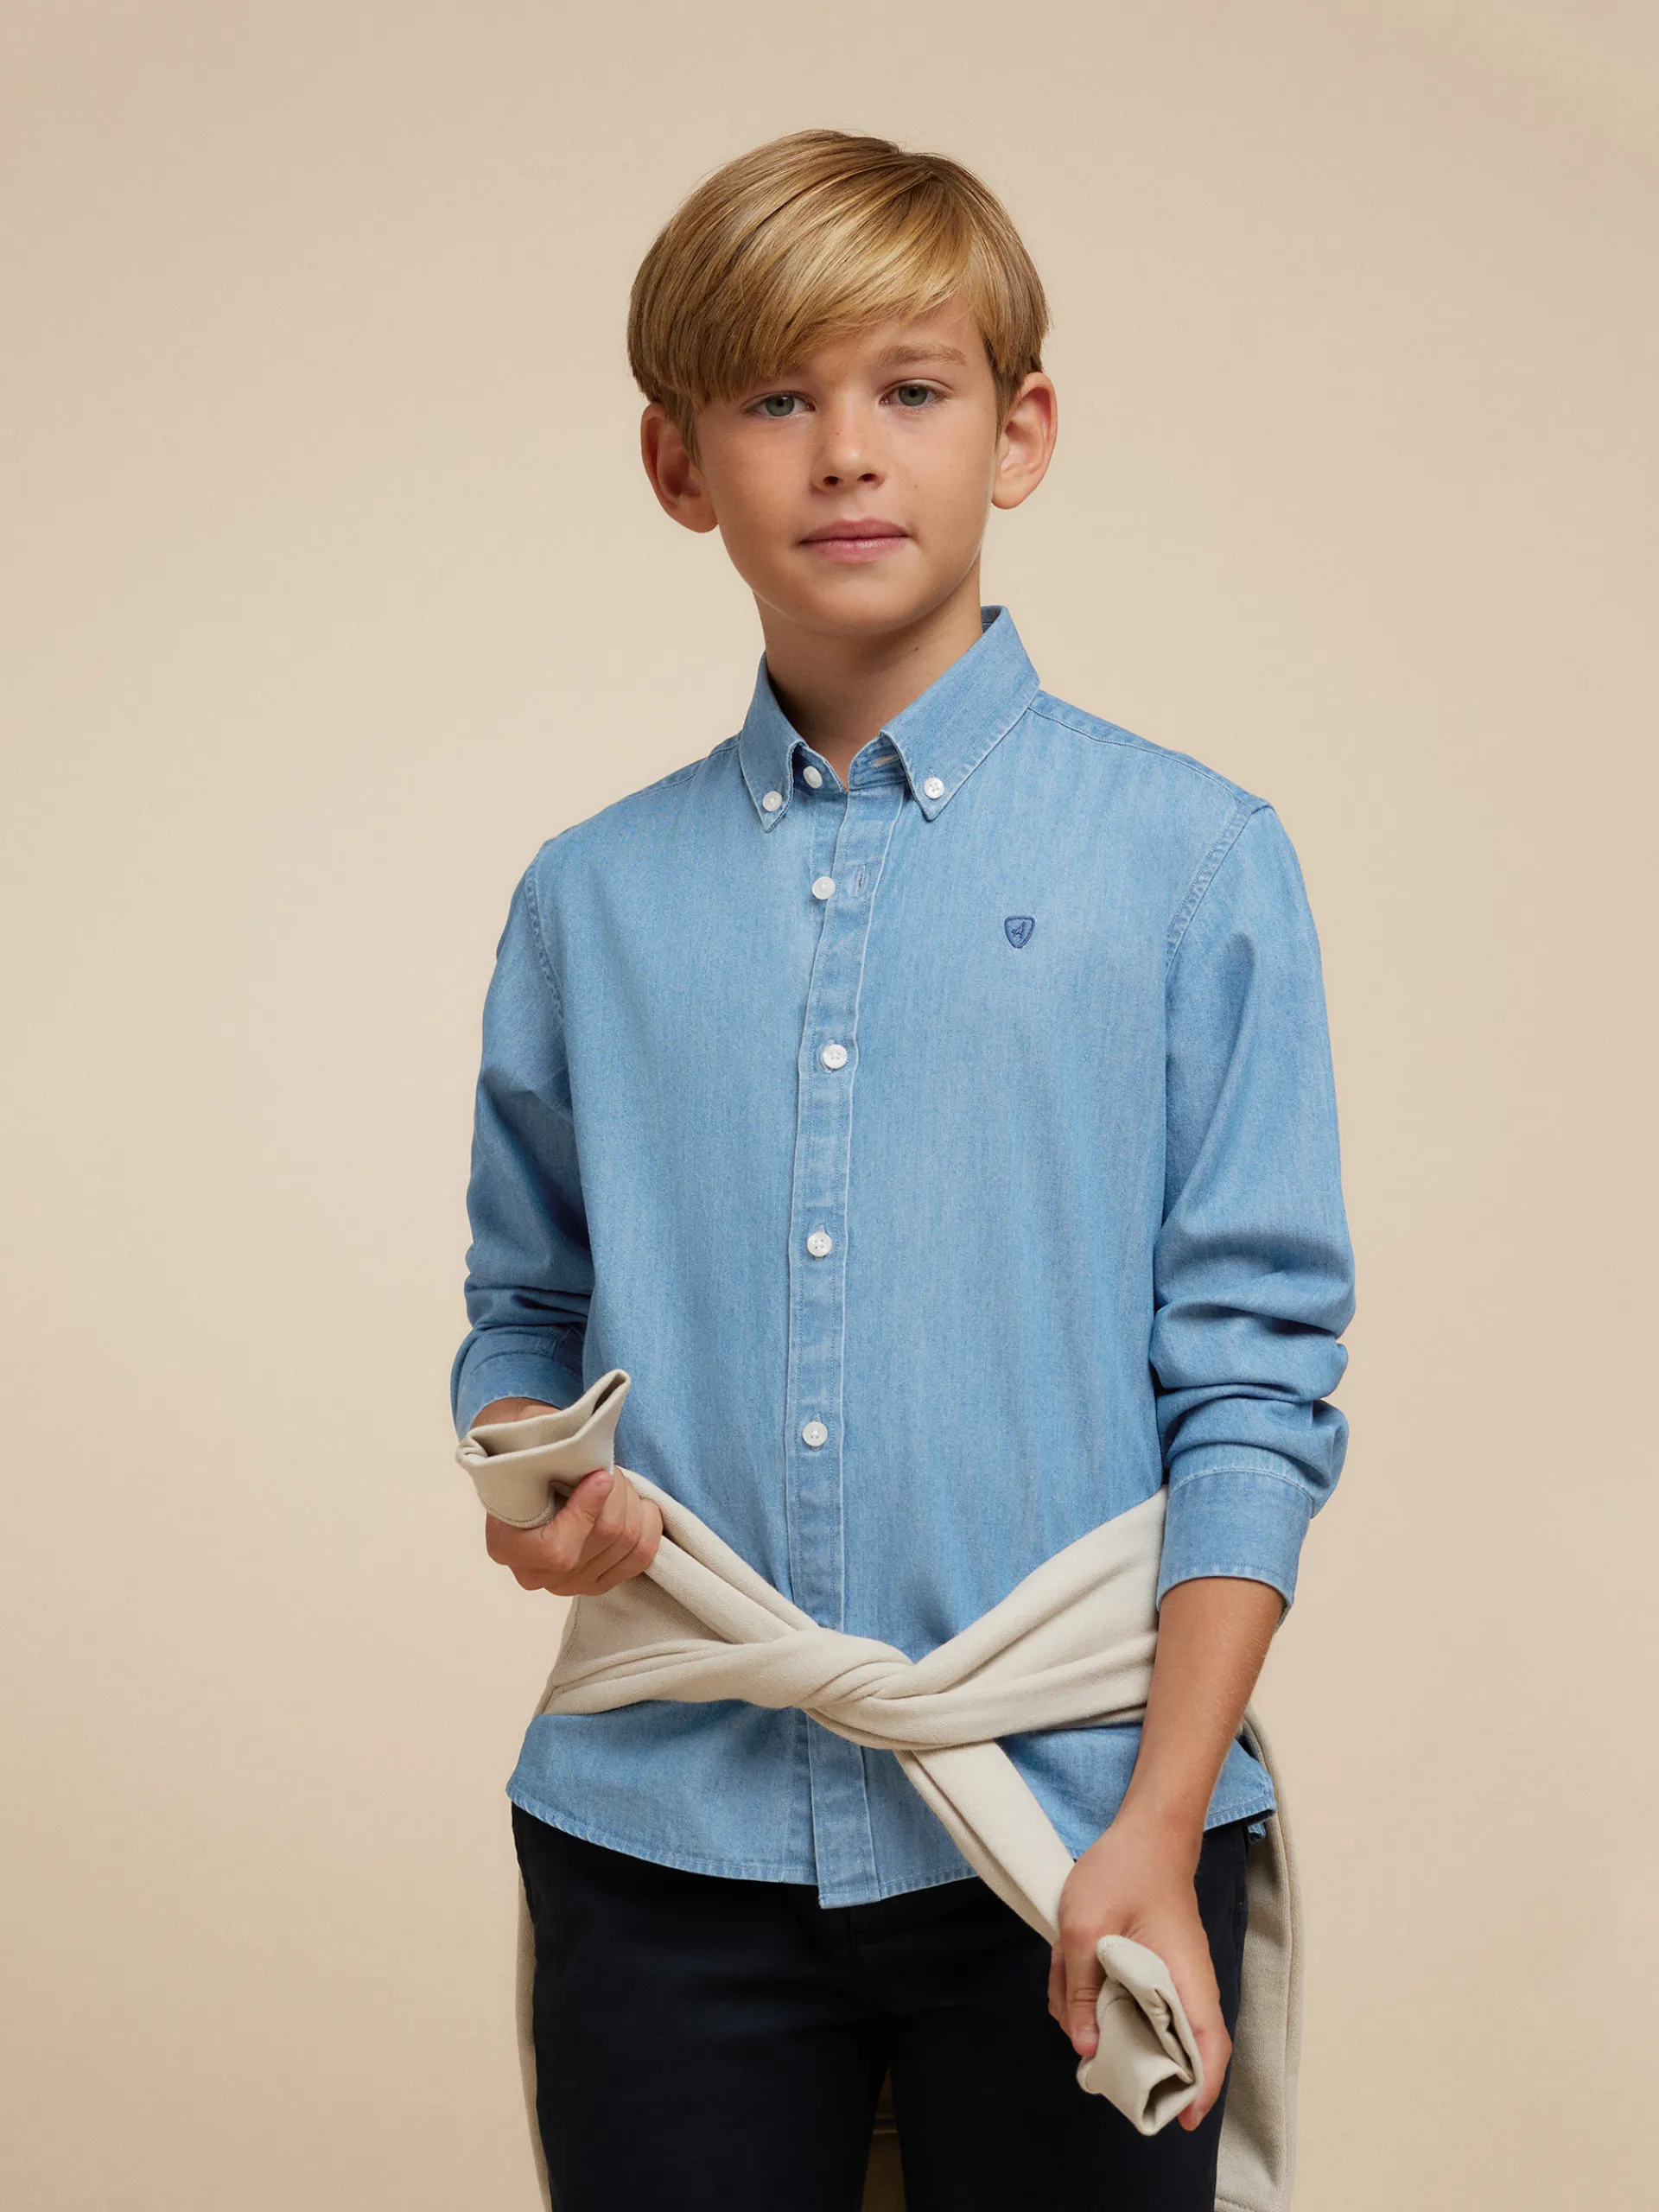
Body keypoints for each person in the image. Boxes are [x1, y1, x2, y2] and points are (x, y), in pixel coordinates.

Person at [450, 128, 1354, 2212]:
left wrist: (1159, 1819)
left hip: (1083, 1822)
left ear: (1017, 433)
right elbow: (523, 1307)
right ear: (680, 462)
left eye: (912, 388)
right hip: (659, 1837)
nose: (848, 450)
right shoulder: (590, 898)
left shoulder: (1194, 862)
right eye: (778, 397)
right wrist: (528, 1482)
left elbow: (1255, 1381)